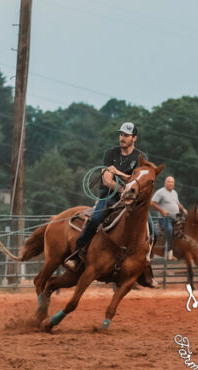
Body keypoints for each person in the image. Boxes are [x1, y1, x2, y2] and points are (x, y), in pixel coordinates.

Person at [63, 122, 155, 287]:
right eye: (121, 134)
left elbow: (139, 179)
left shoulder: (141, 157)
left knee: (151, 228)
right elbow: (106, 180)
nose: (123, 138)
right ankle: (77, 255)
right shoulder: (110, 153)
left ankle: (145, 264)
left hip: (131, 199)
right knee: (95, 218)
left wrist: (119, 175)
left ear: (134, 138)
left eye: (126, 135)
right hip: (110, 196)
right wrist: (123, 187)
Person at [151, 176, 187, 251]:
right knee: (169, 229)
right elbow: (153, 203)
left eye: (172, 182)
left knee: (186, 227)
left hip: (176, 218)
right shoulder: (160, 192)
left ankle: (183, 248)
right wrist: (162, 211)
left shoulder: (174, 192)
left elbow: (178, 203)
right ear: (165, 183)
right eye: (169, 181)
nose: (171, 183)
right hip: (164, 218)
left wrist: (183, 209)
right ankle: (168, 249)